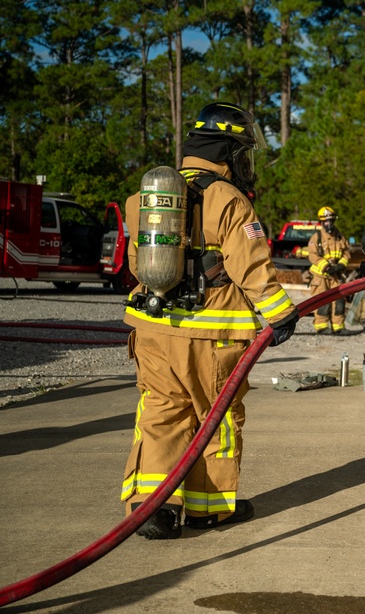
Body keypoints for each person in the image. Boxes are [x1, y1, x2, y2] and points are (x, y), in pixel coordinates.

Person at [121, 101, 299, 539]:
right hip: (211, 335)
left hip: (152, 330)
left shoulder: (145, 198)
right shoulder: (227, 198)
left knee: (161, 413)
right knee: (216, 418)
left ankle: (152, 508)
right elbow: (251, 264)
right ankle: (209, 509)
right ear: (227, 152)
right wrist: (281, 314)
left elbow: (136, 264)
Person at [307, 206, 351, 334]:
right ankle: (321, 326)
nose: (329, 224)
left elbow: (346, 252)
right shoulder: (317, 238)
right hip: (321, 276)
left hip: (336, 275)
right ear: (321, 222)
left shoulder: (340, 237)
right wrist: (326, 266)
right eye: (326, 221)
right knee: (322, 301)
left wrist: (341, 265)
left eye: (331, 221)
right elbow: (312, 255)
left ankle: (338, 327)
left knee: (339, 301)